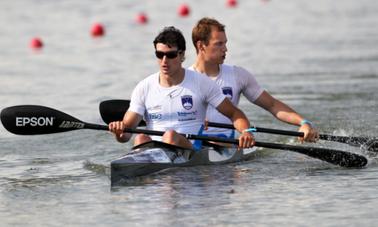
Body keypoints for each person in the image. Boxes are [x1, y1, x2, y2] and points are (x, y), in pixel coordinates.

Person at [108, 26, 255, 150]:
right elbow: (125, 135)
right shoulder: (144, 87)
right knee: (140, 138)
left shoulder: (201, 83)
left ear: (182, 55)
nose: (164, 61)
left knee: (170, 136)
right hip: (154, 151)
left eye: (170, 55)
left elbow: (235, 114)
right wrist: (118, 131)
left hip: (191, 149)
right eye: (159, 55)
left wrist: (247, 132)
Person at [190, 17, 319, 142]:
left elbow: (272, 105)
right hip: (191, 142)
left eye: (225, 43)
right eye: (219, 44)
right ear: (201, 46)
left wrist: (303, 122)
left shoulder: (238, 75)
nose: (225, 49)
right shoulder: (183, 79)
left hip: (225, 143)